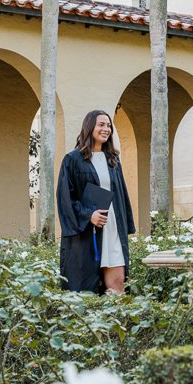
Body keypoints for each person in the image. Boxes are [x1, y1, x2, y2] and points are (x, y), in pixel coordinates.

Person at [56, 110, 135, 294]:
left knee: (118, 287)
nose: (106, 129)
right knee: (85, 291)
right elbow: (65, 199)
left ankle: (116, 321)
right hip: (86, 232)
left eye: (108, 126)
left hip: (112, 228)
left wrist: (126, 225)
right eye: (101, 124)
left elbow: (122, 196)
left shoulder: (113, 161)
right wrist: (88, 215)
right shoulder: (73, 160)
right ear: (89, 126)